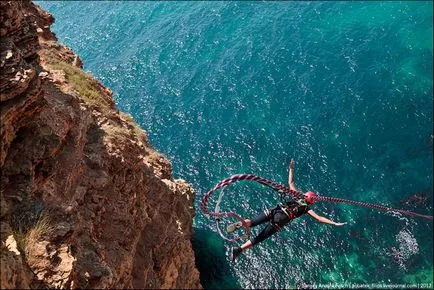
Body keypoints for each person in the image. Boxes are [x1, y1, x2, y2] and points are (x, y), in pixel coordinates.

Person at [228, 159, 347, 262]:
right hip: (281, 220)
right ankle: (238, 249)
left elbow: (291, 182)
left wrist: (291, 168)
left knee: (252, 222)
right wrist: (334, 223)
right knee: (259, 238)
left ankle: (241, 224)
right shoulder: (307, 209)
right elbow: (319, 219)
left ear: (305, 195)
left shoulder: (297, 196)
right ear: (311, 202)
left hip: (276, 210)